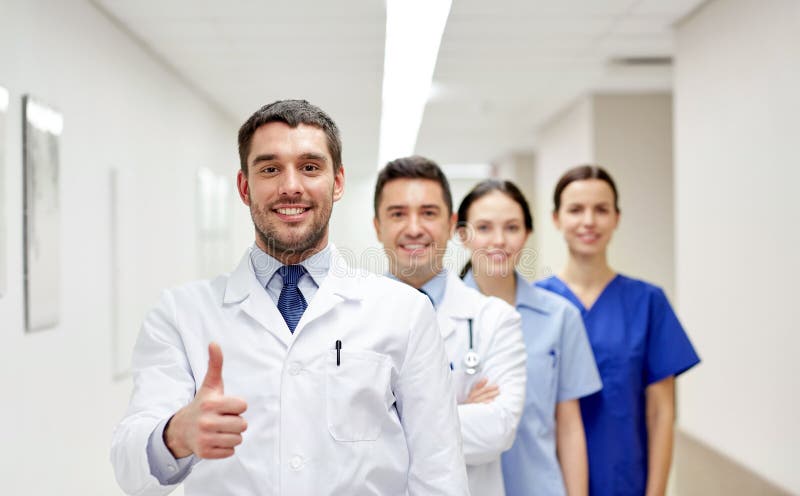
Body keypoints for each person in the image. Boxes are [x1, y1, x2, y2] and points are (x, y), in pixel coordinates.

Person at [110, 100, 470, 496]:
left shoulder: (404, 312)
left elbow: (440, 473)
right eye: (270, 169)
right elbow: (131, 471)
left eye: (310, 167)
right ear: (245, 187)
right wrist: (175, 435)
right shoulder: (181, 314)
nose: (291, 186)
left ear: (338, 182)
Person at [537, 165, 700, 496]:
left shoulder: (647, 302)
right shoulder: (534, 305)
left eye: (601, 210)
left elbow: (661, 412)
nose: (588, 221)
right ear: (556, 219)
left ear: (617, 218)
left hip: (625, 480)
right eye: (575, 210)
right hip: (547, 480)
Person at [372, 156, 527, 496]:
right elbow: (335, 435)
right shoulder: (346, 320)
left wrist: (384, 418)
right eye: (398, 214)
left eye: (428, 213)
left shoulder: (495, 320)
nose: (414, 227)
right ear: (377, 225)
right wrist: (459, 412)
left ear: (451, 224)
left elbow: (497, 430)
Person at [456, 179, 602, 496]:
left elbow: (569, 426)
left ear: (527, 234)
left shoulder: (560, 317)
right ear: (462, 235)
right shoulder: (433, 314)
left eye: (512, 227)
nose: (499, 240)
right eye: (484, 227)